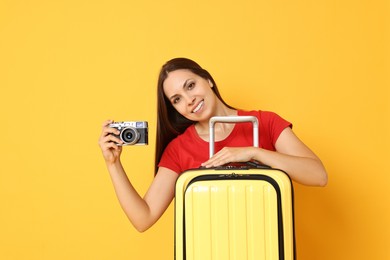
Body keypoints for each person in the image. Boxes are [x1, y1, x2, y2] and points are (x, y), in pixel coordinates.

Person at [98, 57, 328, 232]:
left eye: (190, 86)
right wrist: (113, 164)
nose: (189, 100)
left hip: (266, 244)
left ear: (207, 79)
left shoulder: (264, 122)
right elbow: (143, 219)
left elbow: (318, 175)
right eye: (177, 99)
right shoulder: (179, 149)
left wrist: (254, 152)